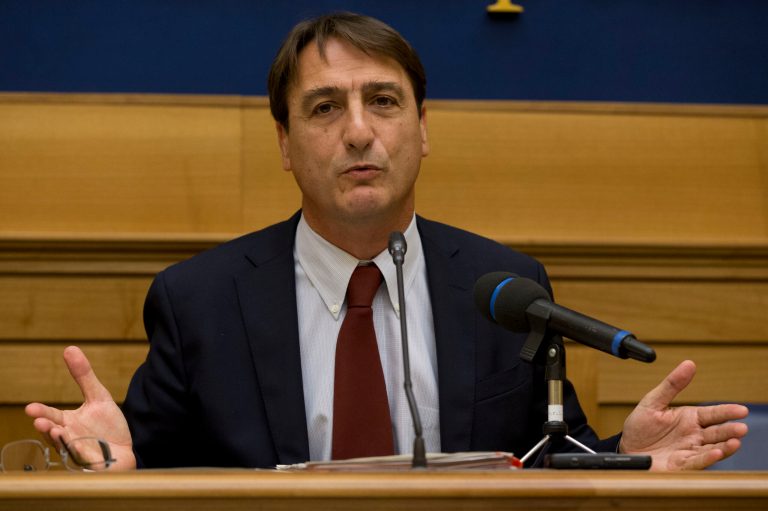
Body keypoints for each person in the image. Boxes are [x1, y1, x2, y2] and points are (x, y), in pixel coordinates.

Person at [25, 12, 747, 471]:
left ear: (423, 129)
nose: (360, 130)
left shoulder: (504, 286)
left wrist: (626, 453)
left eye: (383, 100)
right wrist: (109, 458)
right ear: (284, 142)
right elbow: (143, 460)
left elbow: (547, 455)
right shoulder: (201, 300)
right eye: (324, 107)